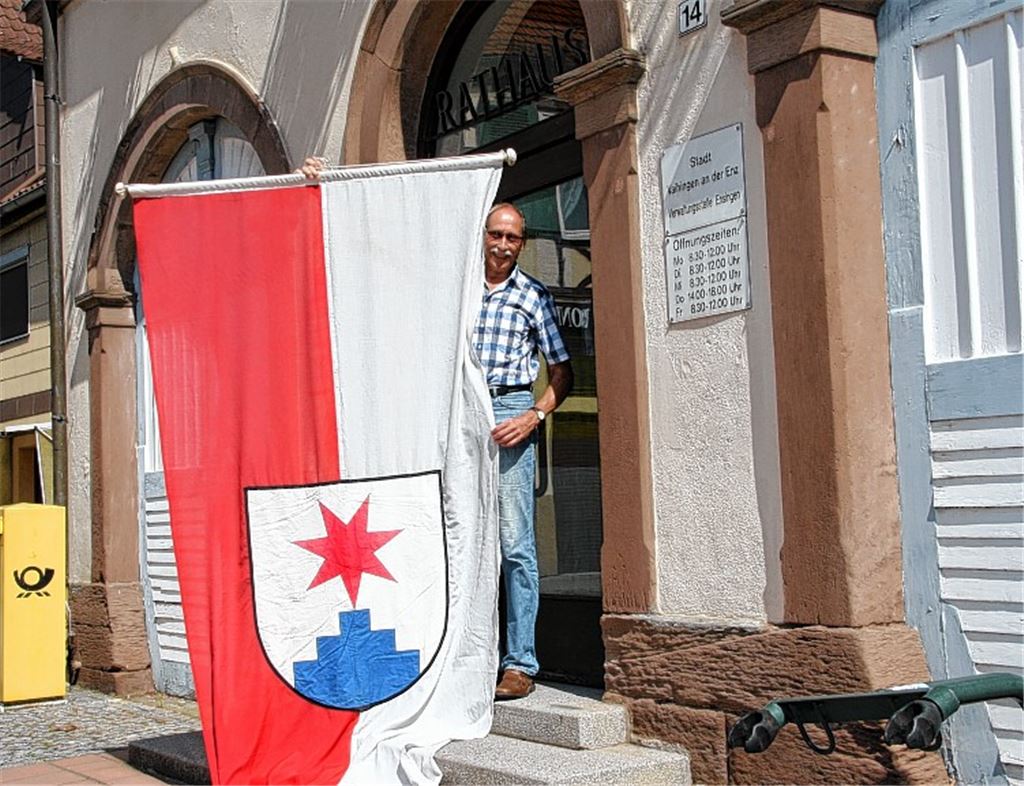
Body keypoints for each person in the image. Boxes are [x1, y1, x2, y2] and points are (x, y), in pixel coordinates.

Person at [477, 203, 573, 700]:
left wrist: (533, 415)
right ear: (484, 236)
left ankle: (519, 663)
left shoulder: (532, 295)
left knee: (515, 544)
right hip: (463, 411)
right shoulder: (460, 288)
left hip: (512, 407)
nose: (503, 245)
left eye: (512, 238)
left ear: (522, 243)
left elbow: (563, 372)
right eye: (496, 234)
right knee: (465, 542)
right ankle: (470, 657)